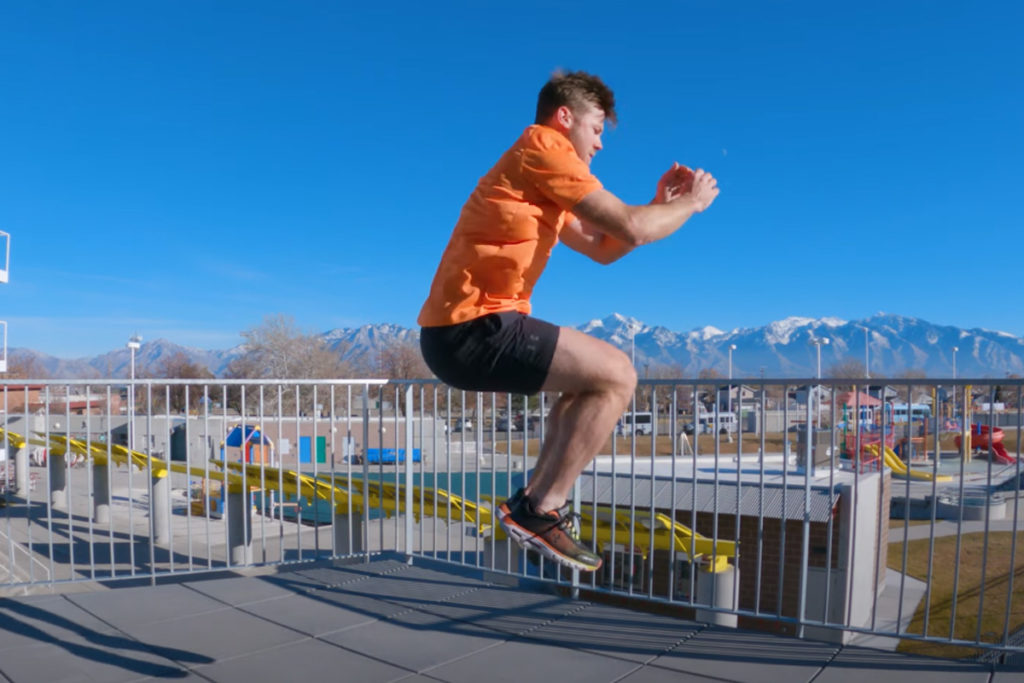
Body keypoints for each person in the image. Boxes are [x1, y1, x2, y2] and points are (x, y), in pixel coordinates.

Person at [418, 70, 719, 572]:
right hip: (472, 327)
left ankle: (532, 505)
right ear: (565, 117)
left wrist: (658, 205)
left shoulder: (539, 179)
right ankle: (541, 510)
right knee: (618, 373)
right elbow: (630, 228)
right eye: (597, 128)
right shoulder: (543, 146)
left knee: (590, 385)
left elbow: (606, 248)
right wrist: (692, 203)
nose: (600, 143)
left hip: (465, 329)